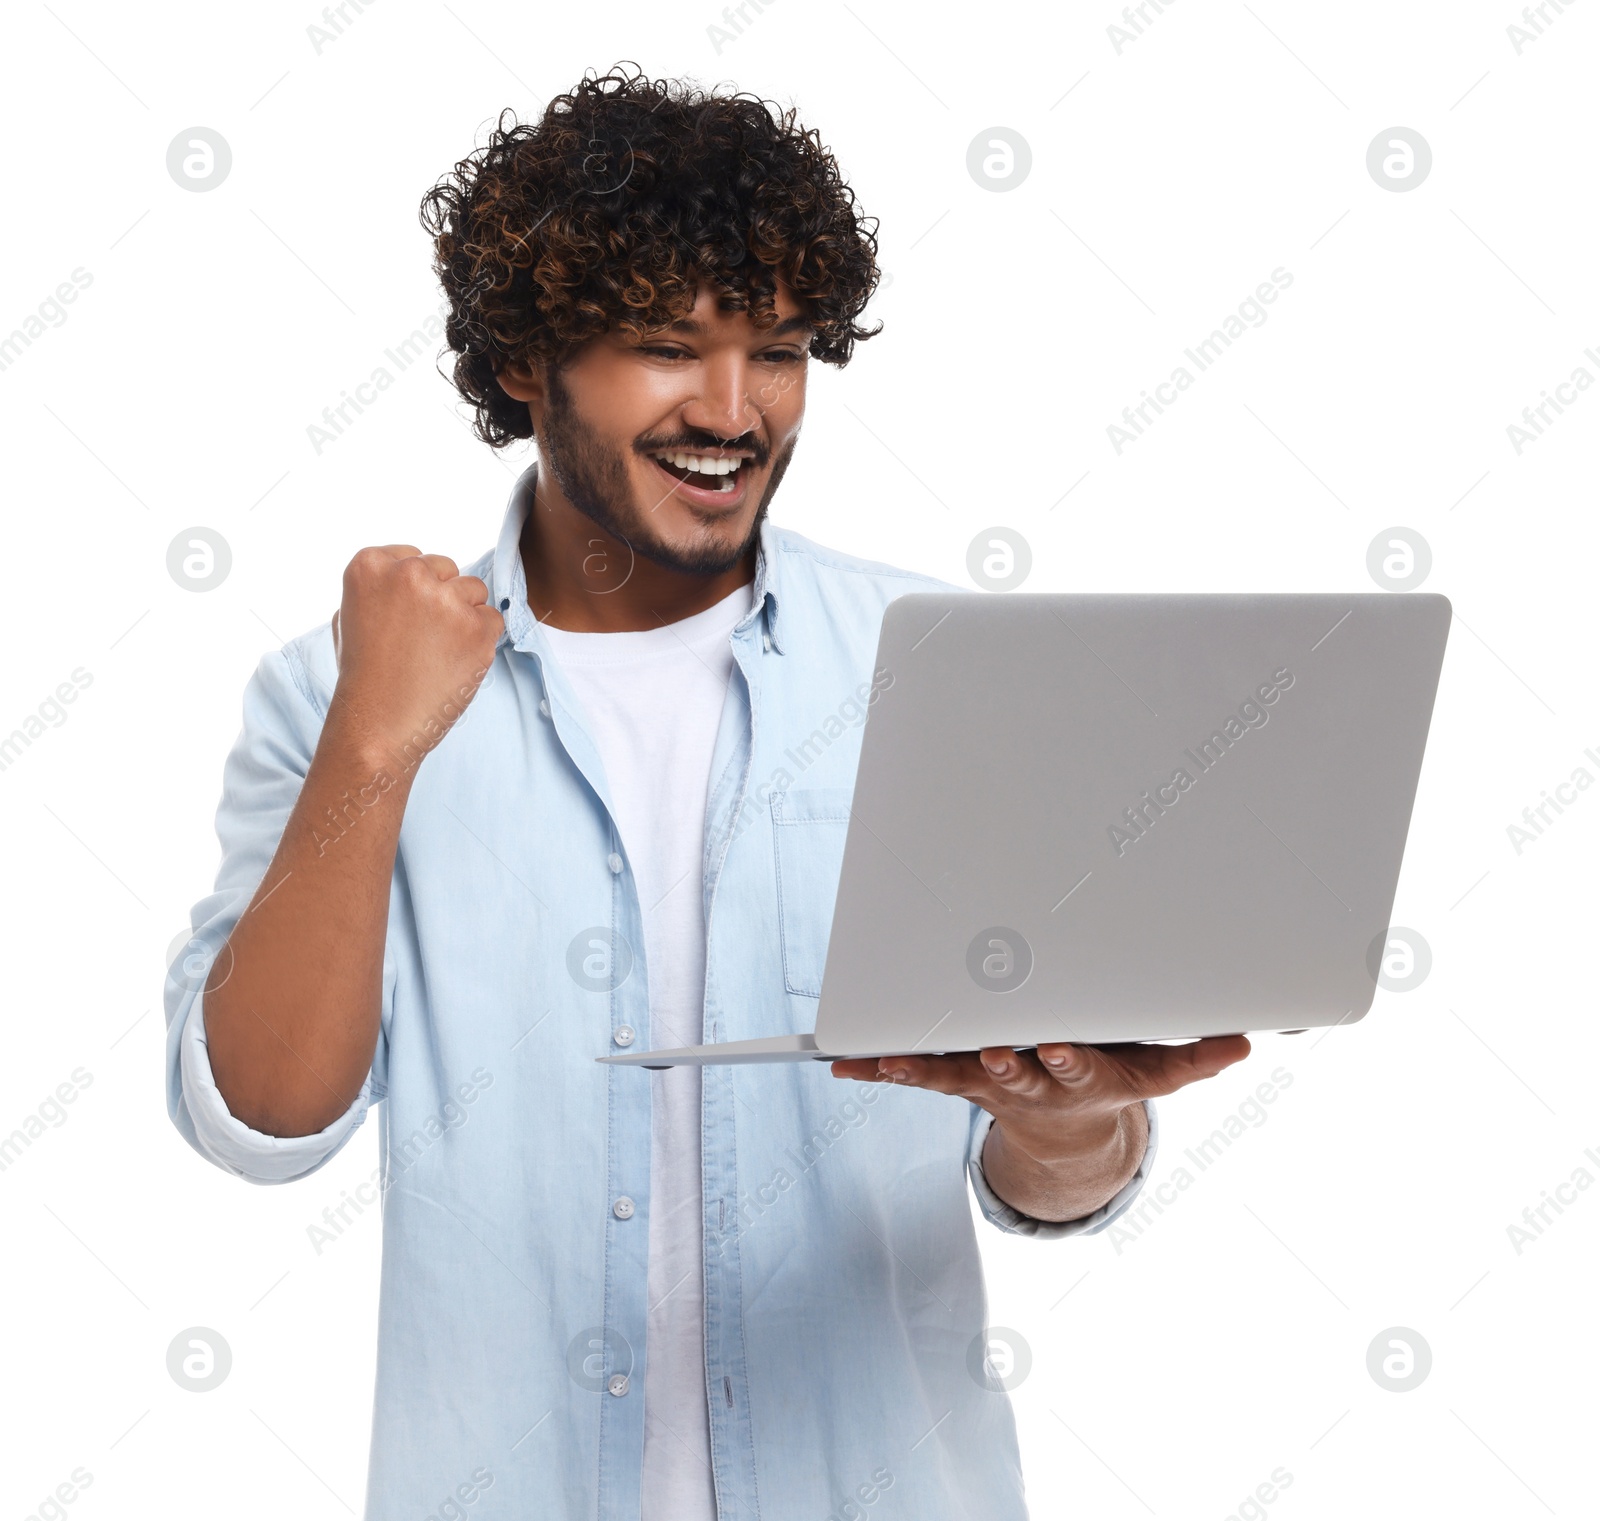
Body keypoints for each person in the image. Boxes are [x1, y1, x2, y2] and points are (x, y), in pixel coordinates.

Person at [164, 63, 1248, 1521]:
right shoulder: (341, 689)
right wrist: (373, 748)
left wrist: (1066, 1120)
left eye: (783, 349)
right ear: (521, 367)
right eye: (669, 346)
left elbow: (1054, 1174)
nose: (735, 412)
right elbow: (262, 1122)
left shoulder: (936, 669)